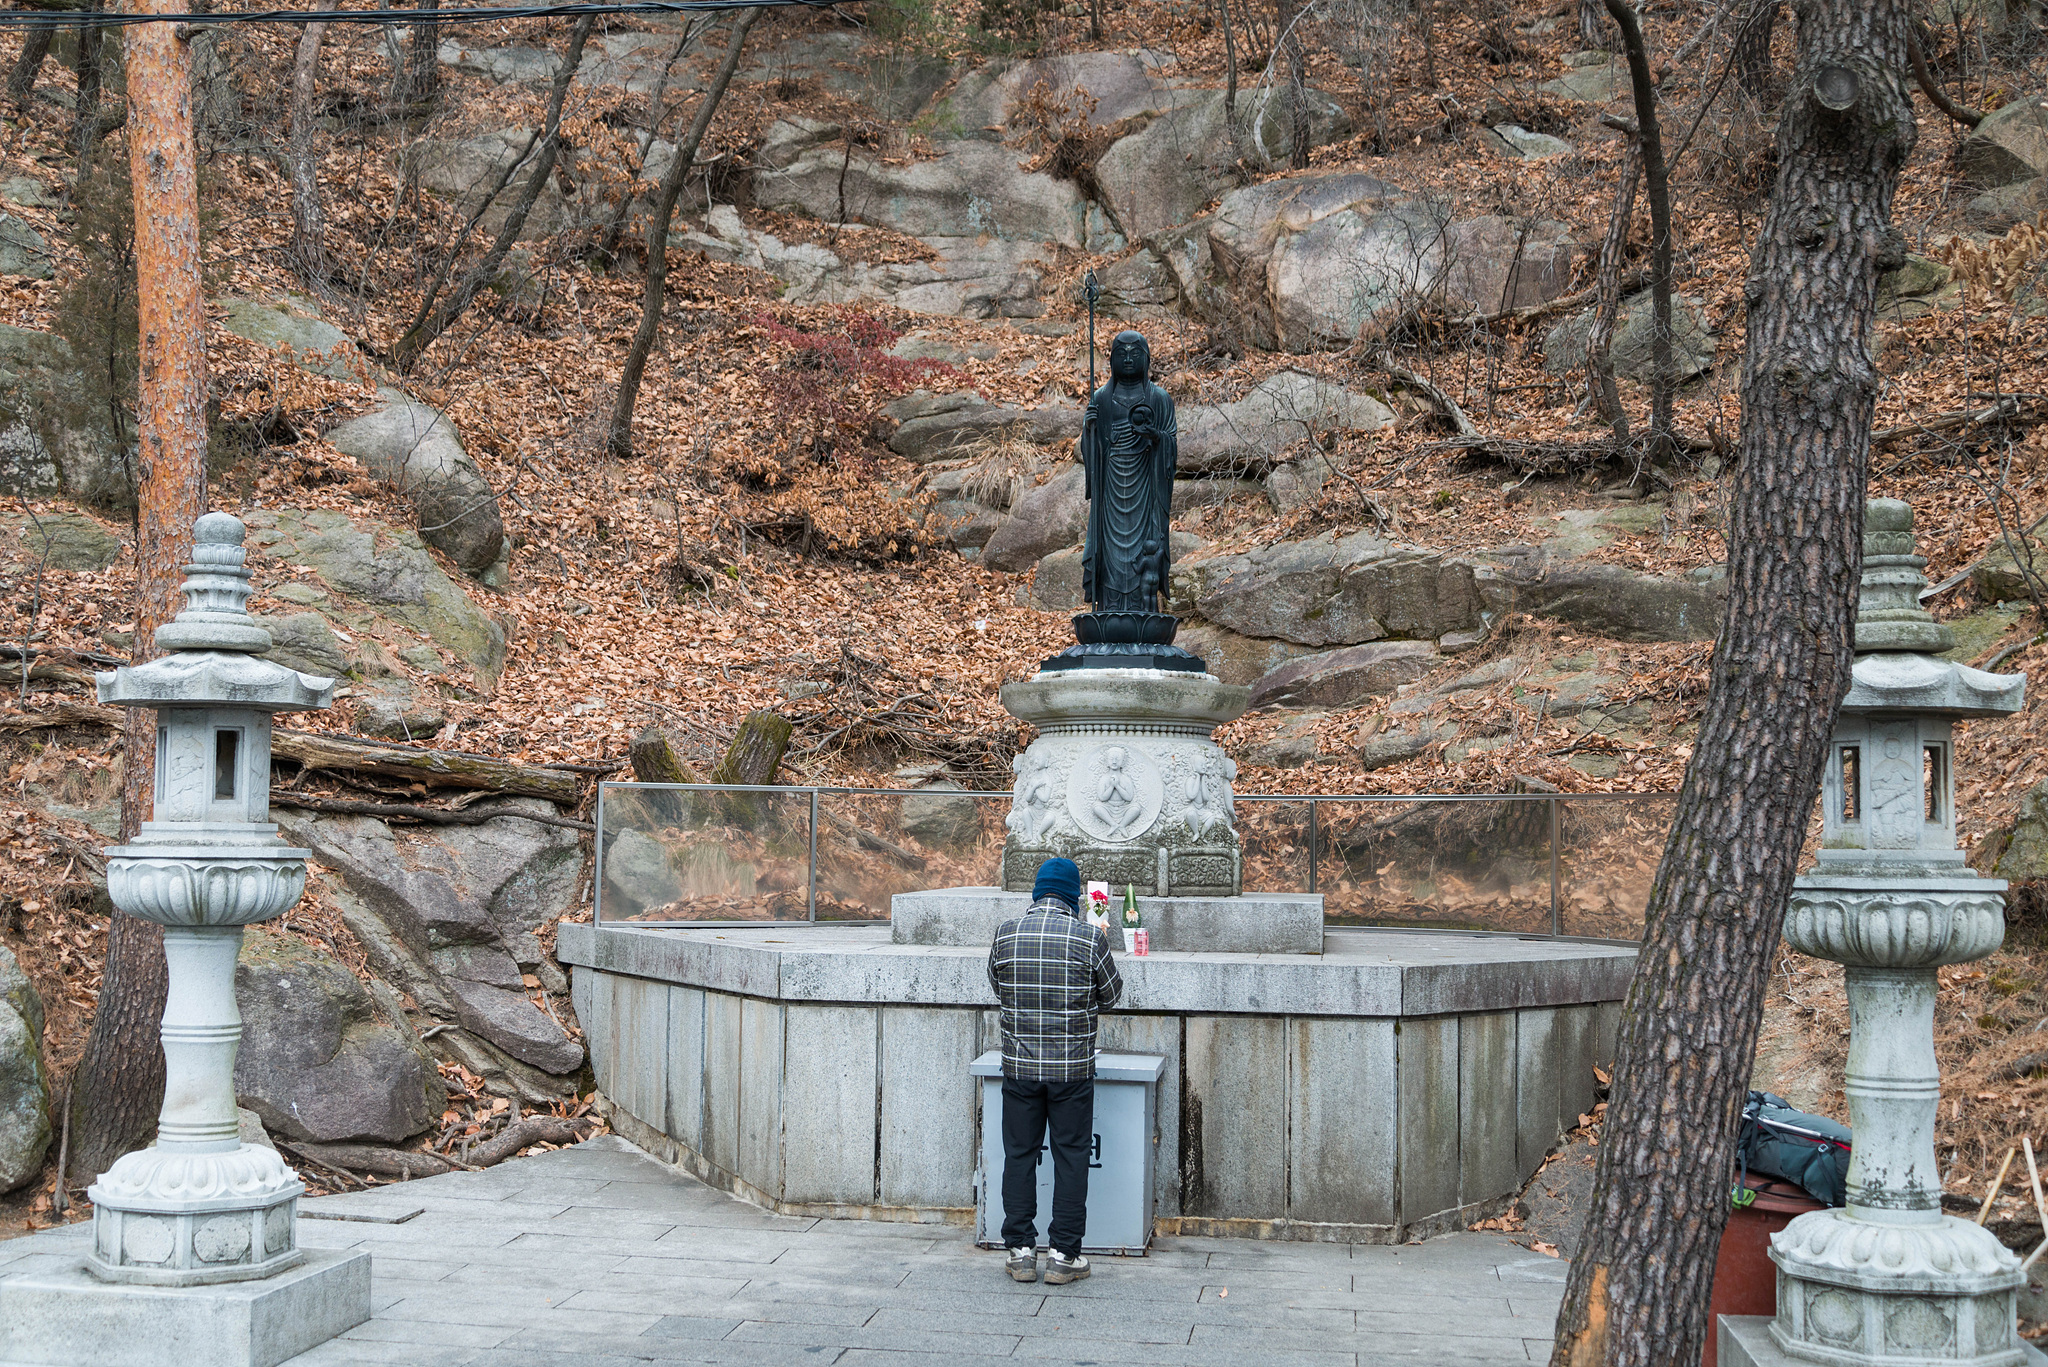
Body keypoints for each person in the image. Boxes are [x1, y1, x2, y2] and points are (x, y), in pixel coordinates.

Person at [986, 856, 1123, 1285]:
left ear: (1037, 892)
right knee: (1071, 1158)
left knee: (1019, 1155)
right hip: (1072, 1072)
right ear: (1073, 896)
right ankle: (1064, 1255)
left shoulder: (1006, 933)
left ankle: (1021, 1251)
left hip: (1020, 1068)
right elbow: (1112, 995)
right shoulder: (1089, 938)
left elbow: (998, 985)